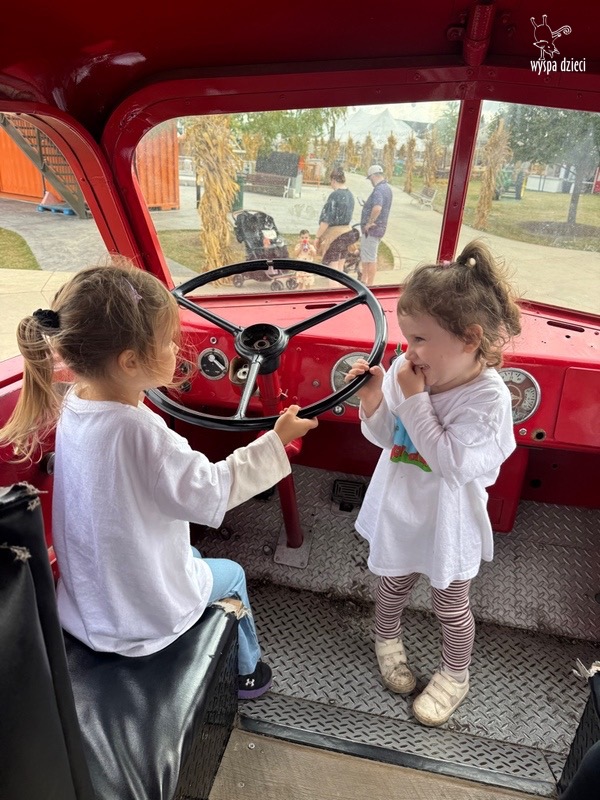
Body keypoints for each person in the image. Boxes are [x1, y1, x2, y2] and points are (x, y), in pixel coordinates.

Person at [0, 261, 318, 701]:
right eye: (168, 340)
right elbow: (213, 491)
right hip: (140, 620)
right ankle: (249, 674)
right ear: (130, 362)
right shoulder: (143, 433)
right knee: (233, 573)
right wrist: (276, 441)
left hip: (86, 604)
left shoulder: (74, 403)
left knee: (191, 554)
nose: (176, 347)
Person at [344, 240, 521, 726]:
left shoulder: (488, 400)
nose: (409, 351)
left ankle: (455, 674)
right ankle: (387, 639)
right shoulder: (407, 374)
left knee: (451, 603)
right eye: (407, 338)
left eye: (420, 339)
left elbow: (450, 463)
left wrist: (414, 399)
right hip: (400, 507)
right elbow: (388, 438)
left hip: (449, 521)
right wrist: (375, 397)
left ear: (469, 339)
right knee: (392, 584)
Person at [315, 167, 355, 272]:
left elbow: (326, 220)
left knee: (332, 270)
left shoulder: (335, 195)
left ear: (333, 180)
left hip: (336, 237)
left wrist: (317, 237)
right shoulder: (350, 195)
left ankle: (333, 283)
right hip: (347, 234)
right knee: (340, 268)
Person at [360, 164, 393, 286]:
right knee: (368, 256)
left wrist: (369, 223)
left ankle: (369, 284)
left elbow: (377, 208)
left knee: (370, 258)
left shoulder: (378, 190)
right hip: (379, 228)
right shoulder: (387, 188)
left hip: (372, 230)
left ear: (374, 176)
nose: (370, 181)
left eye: (370, 178)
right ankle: (364, 280)